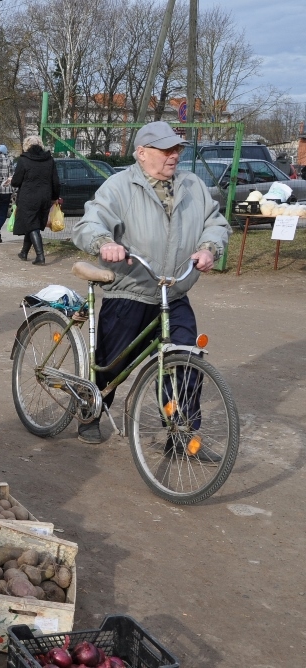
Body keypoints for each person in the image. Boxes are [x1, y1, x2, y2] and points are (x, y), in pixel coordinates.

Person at [72, 121, 230, 447]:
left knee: (185, 363)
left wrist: (209, 248)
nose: (174, 156)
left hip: (174, 293)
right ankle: (90, 411)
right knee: (112, 364)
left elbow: (215, 222)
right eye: (166, 150)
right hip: (130, 292)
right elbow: (90, 222)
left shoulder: (192, 185)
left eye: (177, 149)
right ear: (142, 153)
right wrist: (104, 242)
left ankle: (181, 435)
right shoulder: (119, 186)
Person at [11, 135, 60, 265]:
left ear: (26, 146)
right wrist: (55, 197)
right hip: (45, 197)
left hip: (28, 197)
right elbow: (55, 181)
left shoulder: (24, 160)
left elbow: (16, 182)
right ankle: (24, 252)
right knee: (33, 223)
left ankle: (40, 256)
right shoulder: (49, 160)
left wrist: (12, 180)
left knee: (32, 224)